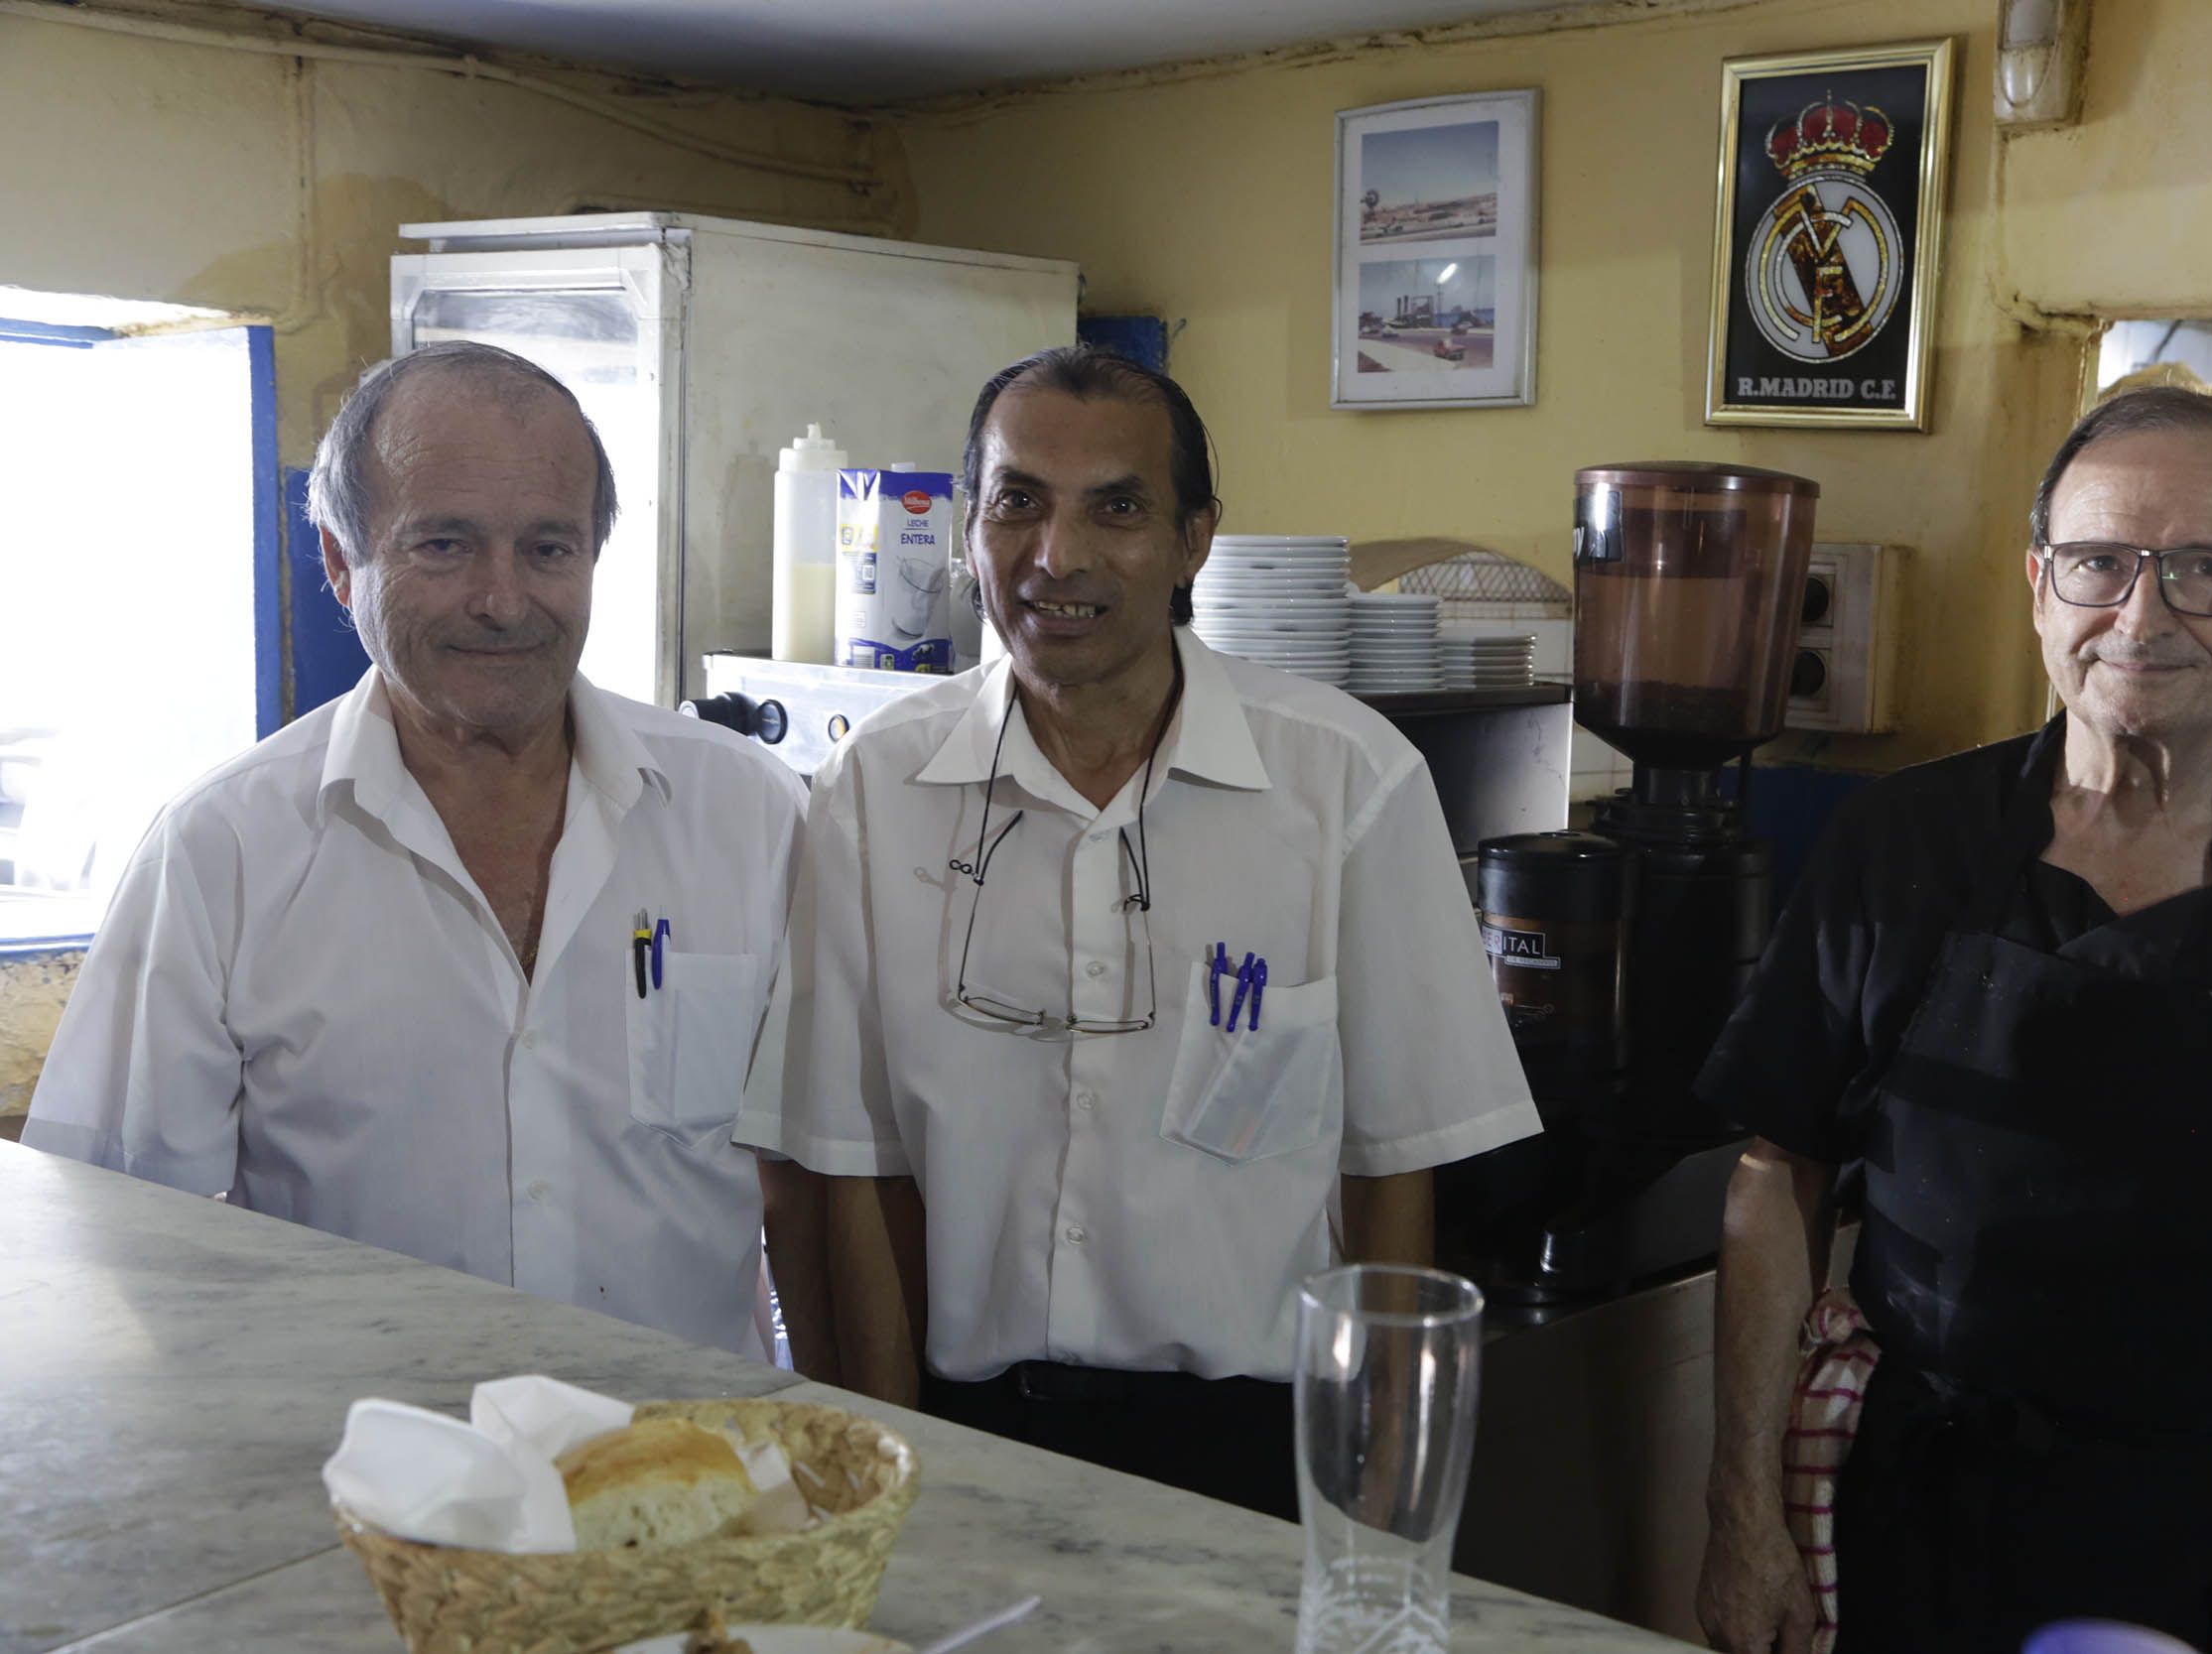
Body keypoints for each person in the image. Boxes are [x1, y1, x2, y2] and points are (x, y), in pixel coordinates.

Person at [1694, 385, 2212, 1654]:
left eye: (2205, 569)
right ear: (2038, 582)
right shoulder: (1899, 842)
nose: (2141, 613)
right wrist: (1742, 1519)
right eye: (2099, 562)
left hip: (2206, 1530)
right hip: (1896, 1500)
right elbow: (1776, 1170)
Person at [745, 345, 1537, 1516]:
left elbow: (1390, 1173)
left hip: (1250, 1448)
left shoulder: (1344, 784)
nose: (1056, 557)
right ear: (969, 529)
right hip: (963, 1436)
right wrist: (876, 1471)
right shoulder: (877, 786)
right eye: (1017, 501)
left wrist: (1374, 1501)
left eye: (1115, 507)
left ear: (1192, 541)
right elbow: (850, 1165)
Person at [22, 341, 804, 1355]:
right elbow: (107, 1224)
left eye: (549, 549)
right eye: (444, 545)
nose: (503, 599)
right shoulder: (224, 851)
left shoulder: (747, 814)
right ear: (342, 563)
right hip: (351, 1482)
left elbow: (821, 1179)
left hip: (692, 1469)